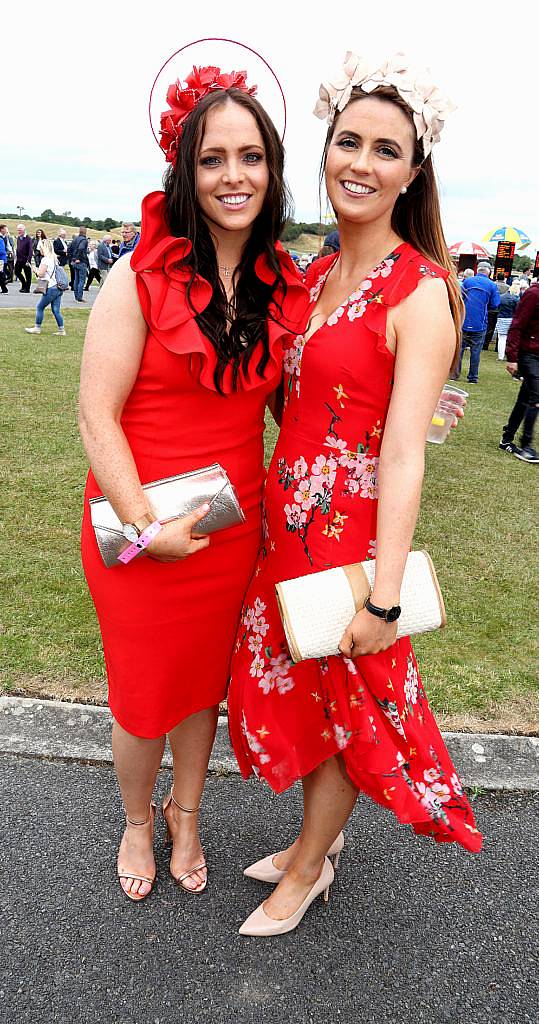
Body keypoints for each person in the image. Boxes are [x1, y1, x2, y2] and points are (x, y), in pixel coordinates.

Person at [228, 51, 482, 938]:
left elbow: (406, 452)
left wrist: (383, 592)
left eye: (385, 149)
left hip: (351, 532)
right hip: (282, 520)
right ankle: (319, 843)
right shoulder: (310, 273)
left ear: (413, 171)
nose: (360, 163)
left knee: (347, 698)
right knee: (307, 689)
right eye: (347, 142)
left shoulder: (421, 292)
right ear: (325, 148)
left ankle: (305, 871)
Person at [79, 66, 303, 903]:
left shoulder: (282, 286)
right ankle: (138, 820)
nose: (234, 176)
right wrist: (144, 525)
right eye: (213, 159)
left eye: (251, 157)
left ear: (272, 169)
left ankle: (186, 812)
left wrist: (410, 413)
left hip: (228, 533)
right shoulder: (136, 277)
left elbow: (307, 401)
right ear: (185, 172)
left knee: (199, 690)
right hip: (136, 533)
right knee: (143, 698)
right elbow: (96, 417)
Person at [499, 278, 539, 462]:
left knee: (525, 398)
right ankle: (525, 445)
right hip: (529, 355)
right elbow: (517, 325)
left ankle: (507, 438)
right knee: (536, 398)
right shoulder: (533, 294)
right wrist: (512, 358)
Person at [452, 262, 500, 381]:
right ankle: (473, 377)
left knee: (459, 350)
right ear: (488, 272)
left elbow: (459, 299)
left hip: (464, 321)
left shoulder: (468, 282)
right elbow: (495, 304)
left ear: (477, 270)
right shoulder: (492, 285)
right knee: (476, 352)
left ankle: (454, 374)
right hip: (480, 323)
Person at [23, 239, 65, 336]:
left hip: (50, 287)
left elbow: (41, 274)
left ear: (44, 248)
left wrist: (34, 270)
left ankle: (37, 328)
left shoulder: (45, 259)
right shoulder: (54, 259)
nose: (39, 250)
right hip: (58, 287)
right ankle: (61, 330)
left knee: (40, 307)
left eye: (40, 247)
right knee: (56, 310)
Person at [496, 282, 519, 360]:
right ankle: (509, 355)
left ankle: (500, 356)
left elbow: (497, 306)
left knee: (501, 338)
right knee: (511, 339)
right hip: (511, 319)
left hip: (501, 318)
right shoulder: (516, 299)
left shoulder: (501, 297)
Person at [71, 225, 89, 301]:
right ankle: (79, 297)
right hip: (81, 261)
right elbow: (81, 248)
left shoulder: (75, 239)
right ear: (85, 232)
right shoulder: (84, 240)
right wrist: (78, 258)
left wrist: (72, 259)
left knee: (76, 280)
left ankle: (76, 296)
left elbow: (69, 249)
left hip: (75, 261)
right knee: (82, 280)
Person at [15, 223, 33, 293]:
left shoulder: (28, 239)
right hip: (19, 259)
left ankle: (27, 288)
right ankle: (24, 284)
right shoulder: (19, 238)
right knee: (17, 272)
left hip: (26, 260)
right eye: (18, 230)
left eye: (20, 230)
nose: (19, 232)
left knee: (28, 275)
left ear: (24, 230)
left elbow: (30, 250)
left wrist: (28, 260)